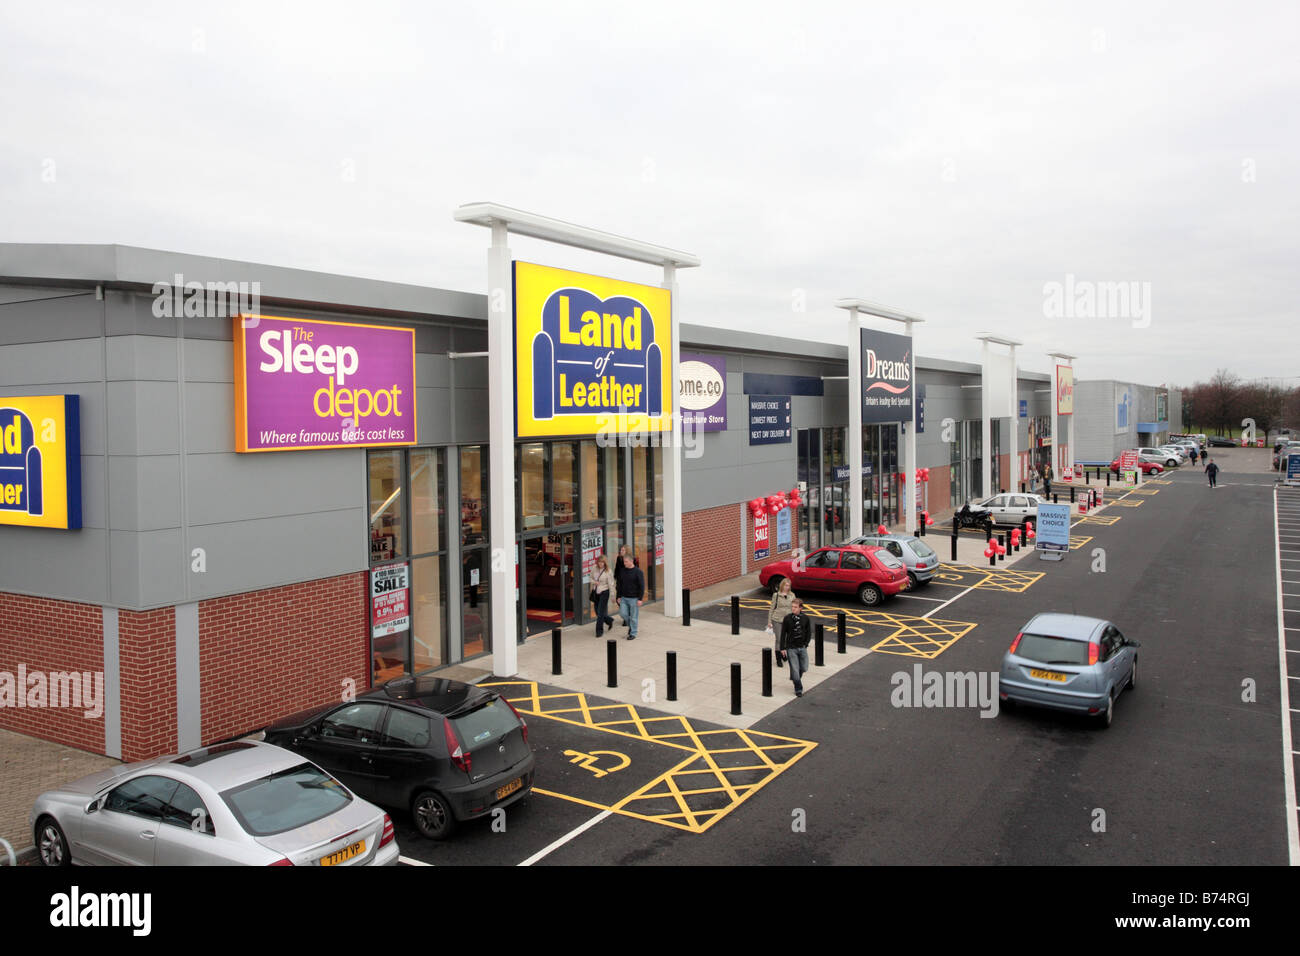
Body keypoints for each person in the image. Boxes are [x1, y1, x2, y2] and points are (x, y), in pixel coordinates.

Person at [778, 598, 812, 697]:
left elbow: (809, 632)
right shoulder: (787, 618)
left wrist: (806, 643)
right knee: (795, 669)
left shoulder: (805, 618)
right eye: (792, 607)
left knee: (804, 667)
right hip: (791, 648)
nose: (793, 609)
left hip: (802, 647)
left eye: (795, 607)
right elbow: (783, 633)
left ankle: (795, 677)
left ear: (800, 608)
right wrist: (782, 648)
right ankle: (798, 688)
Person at [617, 554, 645, 640]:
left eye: (626, 562)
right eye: (624, 561)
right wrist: (618, 596)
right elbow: (619, 585)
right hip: (624, 598)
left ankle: (633, 633)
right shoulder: (622, 571)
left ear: (631, 561)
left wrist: (640, 599)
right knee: (623, 614)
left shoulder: (638, 572)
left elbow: (642, 586)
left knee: (633, 617)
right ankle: (632, 627)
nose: (624, 563)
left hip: (634, 598)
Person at [613, 545, 641, 629]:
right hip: (620, 581)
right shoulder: (619, 558)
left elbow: (636, 570)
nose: (621, 551)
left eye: (623, 550)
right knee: (619, 600)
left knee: (628, 601)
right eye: (620, 550)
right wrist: (616, 577)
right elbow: (617, 569)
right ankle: (626, 616)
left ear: (627, 551)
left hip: (630, 581)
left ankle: (627, 620)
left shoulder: (633, 559)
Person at [767, 577, 796, 651]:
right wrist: (769, 622)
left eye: (789, 586)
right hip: (777, 619)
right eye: (786, 585)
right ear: (782, 585)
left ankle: (784, 653)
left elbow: (795, 608)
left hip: (788, 620)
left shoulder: (792, 595)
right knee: (779, 639)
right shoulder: (776, 595)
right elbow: (771, 609)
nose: (787, 587)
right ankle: (778, 658)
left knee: (786, 639)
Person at [592, 554, 615, 637]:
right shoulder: (594, 568)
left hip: (604, 592)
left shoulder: (608, 571)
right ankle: (609, 620)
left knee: (601, 612)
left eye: (602, 562)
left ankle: (599, 631)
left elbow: (611, 584)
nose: (600, 564)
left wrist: (612, 596)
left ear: (605, 563)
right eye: (599, 562)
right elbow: (590, 578)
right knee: (597, 611)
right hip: (595, 592)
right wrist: (594, 582)